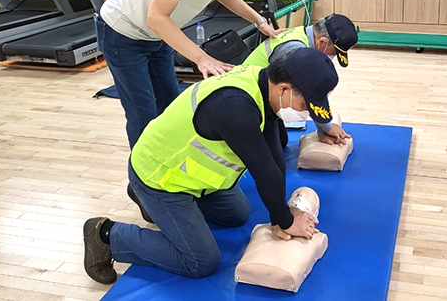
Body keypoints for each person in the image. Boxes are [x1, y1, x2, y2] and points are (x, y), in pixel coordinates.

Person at [83, 48, 338, 283]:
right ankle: (107, 236)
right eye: (305, 105)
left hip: (191, 180)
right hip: (160, 176)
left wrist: (280, 215)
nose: (304, 112)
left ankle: (147, 201)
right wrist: (285, 220)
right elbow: (263, 171)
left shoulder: (262, 85)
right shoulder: (235, 106)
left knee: (237, 214)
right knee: (201, 261)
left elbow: (274, 160)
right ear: (284, 89)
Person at [95, 0, 285, 150]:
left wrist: (259, 21)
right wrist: (201, 58)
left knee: (170, 106)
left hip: (157, 36)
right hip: (123, 33)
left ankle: (167, 166)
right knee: (142, 113)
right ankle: (141, 183)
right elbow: (157, 17)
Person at [244, 13, 358, 146]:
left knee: (281, 141)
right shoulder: (295, 49)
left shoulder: (304, 33)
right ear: (323, 42)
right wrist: (326, 128)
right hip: (250, 100)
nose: (331, 58)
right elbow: (309, 92)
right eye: (333, 53)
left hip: (268, 92)